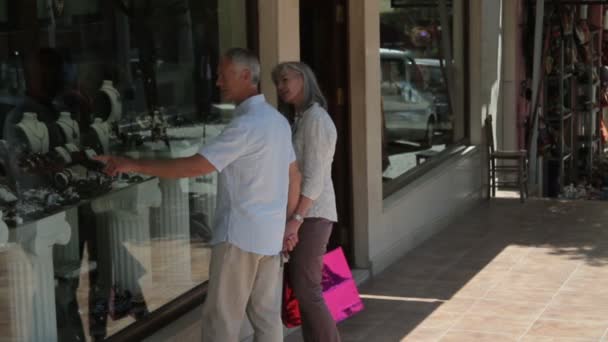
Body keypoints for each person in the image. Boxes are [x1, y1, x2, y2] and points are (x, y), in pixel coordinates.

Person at [95, 48, 301, 342]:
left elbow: (194, 166)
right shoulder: (276, 120)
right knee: (267, 320)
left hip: (240, 238)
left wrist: (132, 163)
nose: (217, 81)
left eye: (223, 74)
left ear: (245, 76)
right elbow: (295, 176)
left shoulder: (246, 125)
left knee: (222, 323)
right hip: (269, 237)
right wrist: (290, 225)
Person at [272, 61, 341, 342]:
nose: (281, 86)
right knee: (305, 291)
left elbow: (314, 178)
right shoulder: (303, 118)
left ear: (304, 79)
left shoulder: (316, 120)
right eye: (278, 82)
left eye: (286, 79)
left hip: (313, 215)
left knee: (309, 290)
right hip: (307, 215)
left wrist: (295, 221)